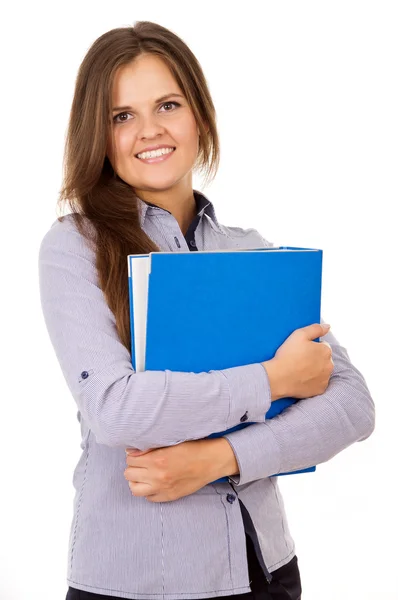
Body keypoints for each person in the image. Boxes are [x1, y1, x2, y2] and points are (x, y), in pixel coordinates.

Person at [38, 21, 375, 600]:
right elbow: (116, 409)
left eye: (167, 104)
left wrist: (220, 458)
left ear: (199, 114)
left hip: (266, 572)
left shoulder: (253, 252)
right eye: (122, 116)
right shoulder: (75, 246)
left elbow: (350, 404)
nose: (150, 131)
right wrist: (273, 380)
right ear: (98, 133)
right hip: (136, 584)